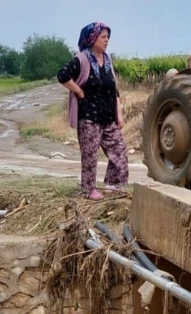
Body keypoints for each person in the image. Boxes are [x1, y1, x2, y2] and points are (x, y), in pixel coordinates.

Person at [57, 22, 129, 200]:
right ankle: (88, 190)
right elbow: (63, 75)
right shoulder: (81, 59)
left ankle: (113, 185)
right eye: (103, 37)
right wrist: (79, 91)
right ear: (92, 38)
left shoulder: (108, 59)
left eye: (107, 38)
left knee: (119, 152)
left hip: (108, 117)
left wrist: (118, 114)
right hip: (89, 118)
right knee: (90, 157)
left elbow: (114, 89)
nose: (106, 41)